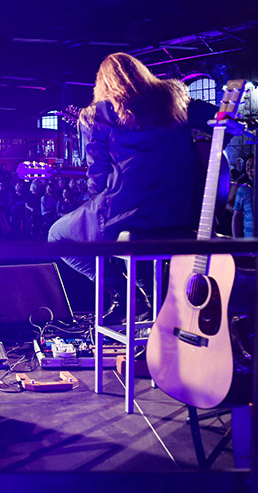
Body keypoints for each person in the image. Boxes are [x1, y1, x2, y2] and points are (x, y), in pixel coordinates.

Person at [48, 53, 225, 322]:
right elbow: (224, 123)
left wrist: (96, 201)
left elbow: (98, 176)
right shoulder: (174, 96)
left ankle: (122, 291)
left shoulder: (97, 114)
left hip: (127, 212)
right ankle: (143, 290)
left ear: (102, 83)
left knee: (57, 236)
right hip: (184, 211)